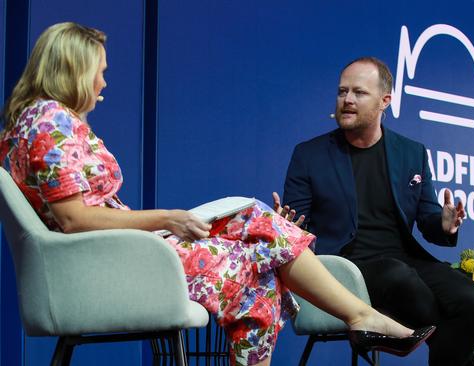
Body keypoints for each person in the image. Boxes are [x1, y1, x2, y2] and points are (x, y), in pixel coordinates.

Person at [0, 23, 434, 366]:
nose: (103, 84)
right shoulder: (49, 121)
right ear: (74, 68)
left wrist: (168, 222)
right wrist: (168, 218)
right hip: (105, 264)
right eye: (101, 72)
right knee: (262, 249)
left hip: (116, 257)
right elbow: (75, 219)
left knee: (259, 234)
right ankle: (362, 316)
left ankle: (361, 316)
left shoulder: (40, 119)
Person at [280, 56, 474, 366]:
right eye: (342, 92)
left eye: (359, 92)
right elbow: (296, 229)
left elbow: (427, 220)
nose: (347, 100)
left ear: (385, 101)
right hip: (346, 266)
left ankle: (456, 353)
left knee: (471, 299)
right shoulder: (309, 154)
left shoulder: (412, 152)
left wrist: (445, 224)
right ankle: (463, 354)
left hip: (405, 259)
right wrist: (286, 224)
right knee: (399, 278)